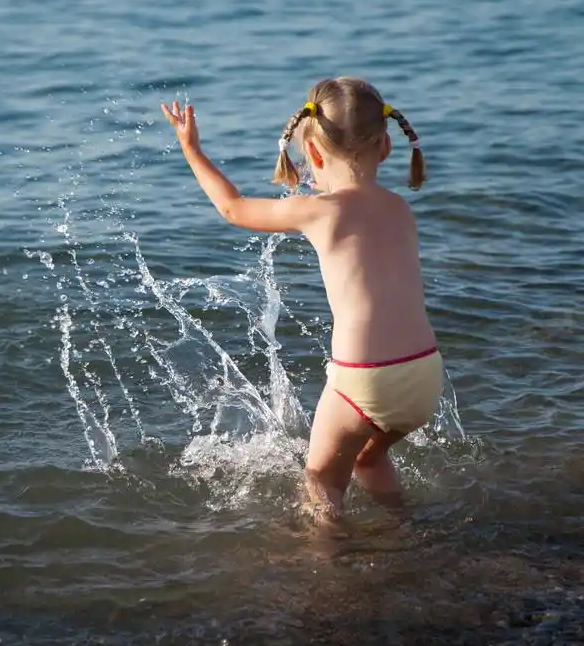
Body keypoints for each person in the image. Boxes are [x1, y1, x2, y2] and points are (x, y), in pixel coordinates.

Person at [161, 77, 442, 521]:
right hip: (424, 374)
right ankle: (403, 527)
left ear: (311, 154)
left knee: (321, 480)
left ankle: (326, 573)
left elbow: (233, 209)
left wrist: (192, 150)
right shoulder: (399, 208)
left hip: (363, 379)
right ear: (386, 148)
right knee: (369, 458)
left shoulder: (318, 210)